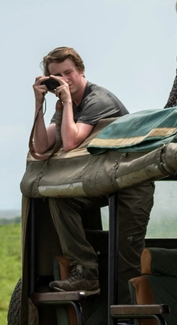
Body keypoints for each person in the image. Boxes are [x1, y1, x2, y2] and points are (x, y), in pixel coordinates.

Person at [29, 45, 154, 294]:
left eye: (69, 73)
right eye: (57, 77)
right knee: (60, 198)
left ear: (81, 72)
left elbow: (71, 142)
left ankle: (131, 323)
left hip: (132, 182)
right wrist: (39, 104)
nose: (65, 80)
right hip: (105, 179)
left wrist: (65, 102)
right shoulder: (66, 106)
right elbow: (41, 147)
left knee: (125, 258)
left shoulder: (98, 100)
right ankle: (86, 273)